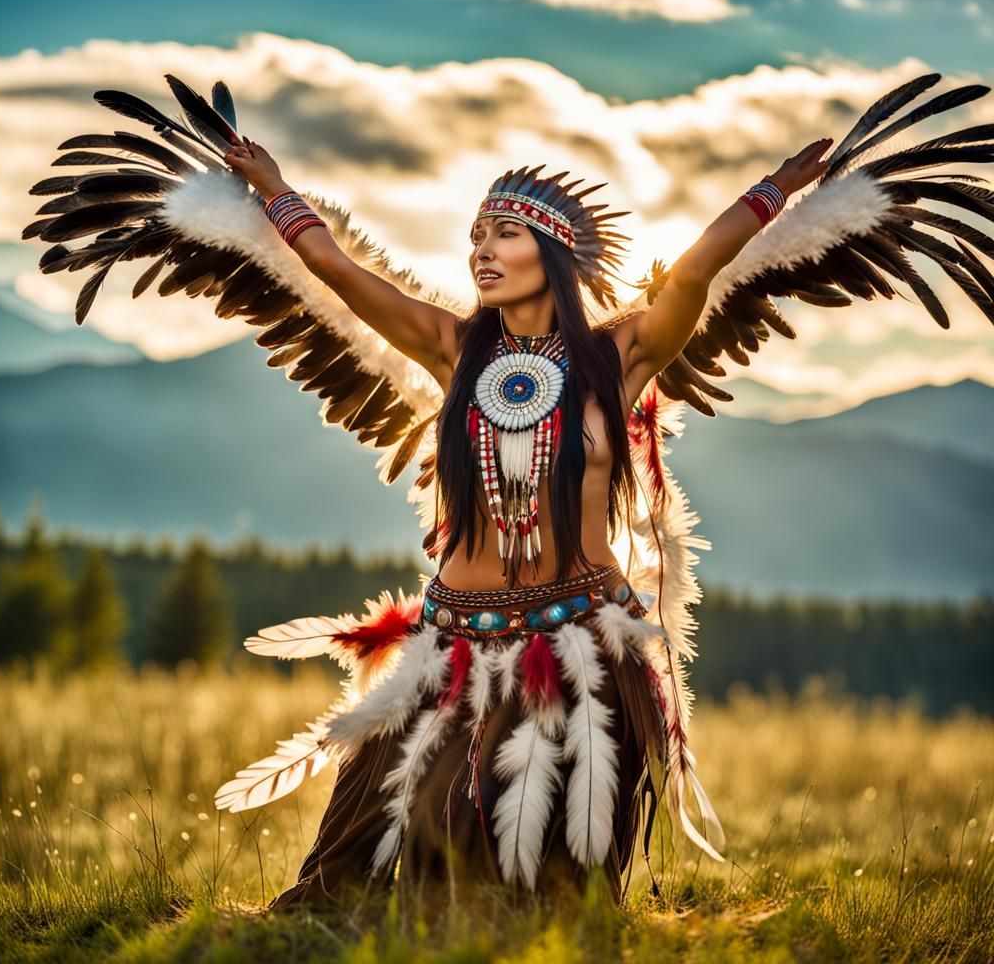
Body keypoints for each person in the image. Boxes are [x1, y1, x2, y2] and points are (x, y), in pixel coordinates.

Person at [217, 135, 833, 913]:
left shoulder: (620, 356)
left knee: (542, 890)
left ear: (555, 250)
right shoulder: (453, 347)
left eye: (503, 233)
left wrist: (773, 189)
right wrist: (273, 186)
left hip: (577, 645)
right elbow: (335, 268)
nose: (482, 250)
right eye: (474, 235)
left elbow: (697, 270)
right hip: (450, 646)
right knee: (378, 865)